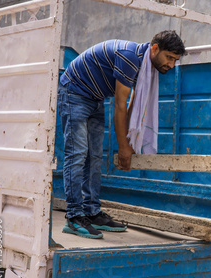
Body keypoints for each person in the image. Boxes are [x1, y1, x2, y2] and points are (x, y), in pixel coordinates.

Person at [58, 30, 186, 239]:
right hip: (75, 91)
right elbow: (119, 105)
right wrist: (124, 147)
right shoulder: (131, 58)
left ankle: (91, 212)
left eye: (175, 60)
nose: (171, 65)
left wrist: (129, 141)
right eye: (169, 57)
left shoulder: (145, 65)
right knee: (78, 153)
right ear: (155, 49)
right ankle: (74, 217)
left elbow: (134, 103)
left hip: (95, 97)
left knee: (95, 157)